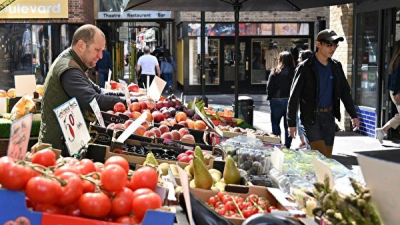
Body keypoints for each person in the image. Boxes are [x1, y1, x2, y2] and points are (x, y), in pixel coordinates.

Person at [39, 24, 135, 151]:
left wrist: (128, 97)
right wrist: (129, 103)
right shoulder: (69, 69)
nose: (101, 56)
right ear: (81, 45)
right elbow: (92, 100)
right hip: (57, 148)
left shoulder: (72, 61)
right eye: (97, 50)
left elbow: (98, 90)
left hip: (66, 142)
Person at [287, 29, 360, 158]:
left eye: (335, 45)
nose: (333, 48)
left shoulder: (336, 66)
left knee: (327, 157)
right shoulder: (305, 67)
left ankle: (315, 177)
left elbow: (344, 92)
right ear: (318, 44)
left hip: (329, 117)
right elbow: (294, 96)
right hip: (311, 117)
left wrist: (353, 114)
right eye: (329, 45)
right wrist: (291, 123)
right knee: (319, 155)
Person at [266, 51, 295, 149]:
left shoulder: (275, 71)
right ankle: (287, 145)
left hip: (276, 99)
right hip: (290, 101)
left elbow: (269, 86)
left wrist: (269, 96)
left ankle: (277, 143)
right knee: (289, 124)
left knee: (275, 122)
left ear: (281, 60)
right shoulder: (294, 72)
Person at [376, 40, 400, 144]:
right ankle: (382, 130)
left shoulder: (395, 60)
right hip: (397, 91)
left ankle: (382, 130)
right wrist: (398, 92)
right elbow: (396, 78)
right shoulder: (399, 60)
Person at [295, 49, 313, 149]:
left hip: (307, 105)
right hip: (303, 103)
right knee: (300, 123)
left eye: (300, 57)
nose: (298, 59)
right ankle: (305, 143)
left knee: (302, 124)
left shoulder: (303, 70)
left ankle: (307, 145)